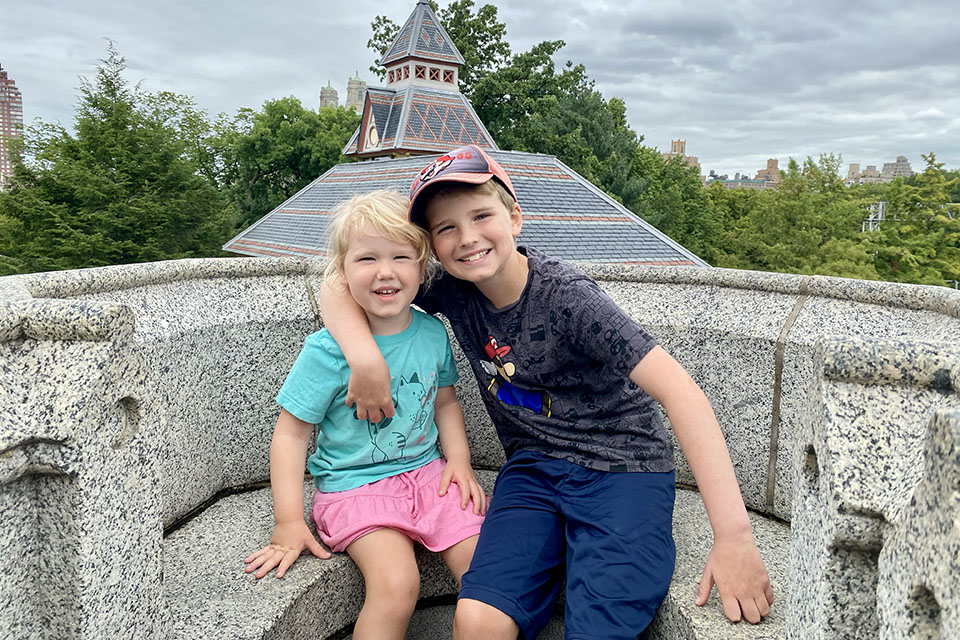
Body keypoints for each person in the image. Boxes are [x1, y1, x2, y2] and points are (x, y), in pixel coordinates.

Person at [320, 147, 774, 640]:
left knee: (600, 630)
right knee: (477, 621)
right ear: (432, 247)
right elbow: (336, 282)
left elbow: (682, 394)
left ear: (514, 217)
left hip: (621, 467)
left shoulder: (569, 299)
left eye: (481, 216)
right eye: (446, 228)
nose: (467, 238)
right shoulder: (454, 288)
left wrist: (733, 538)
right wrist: (365, 360)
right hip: (533, 470)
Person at [245, 190, 487, 640]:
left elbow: (445, 401)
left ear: (423, 267)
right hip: (356, 488)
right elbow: (291, 436)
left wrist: (459, 460)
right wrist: (289, 522)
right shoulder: (326, 351)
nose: (384, 272)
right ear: (342, 271)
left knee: (487, 571)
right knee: (397, 586)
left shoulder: (432, 332)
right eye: (366, 259)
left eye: (401, 256)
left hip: (428, 475)